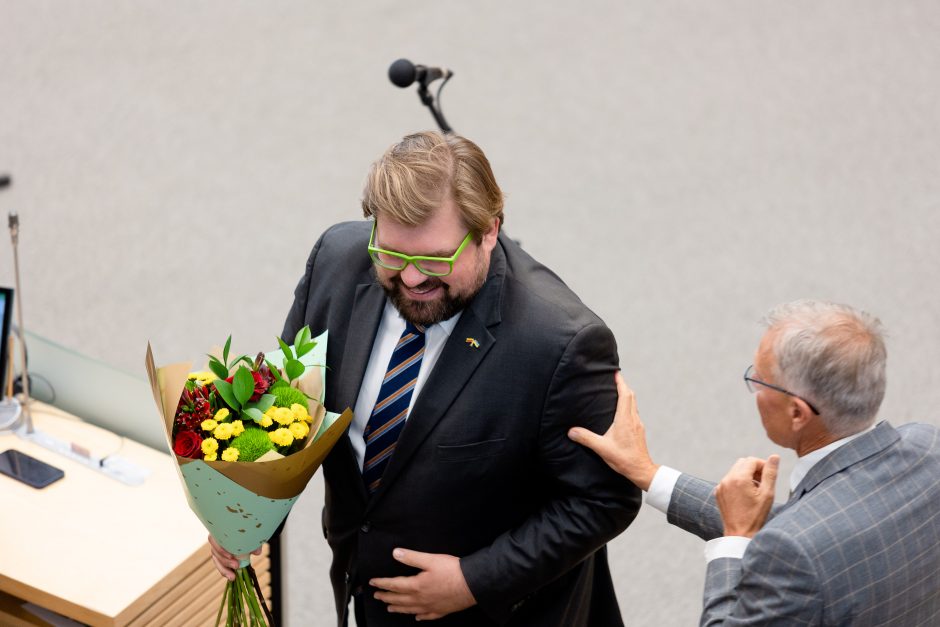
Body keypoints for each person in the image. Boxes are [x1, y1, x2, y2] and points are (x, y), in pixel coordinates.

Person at [210, 131, 640, 626]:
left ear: (489, 231)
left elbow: (605, 498)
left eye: (435, 259)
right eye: (392, 255)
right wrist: (246, 507)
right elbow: (289, 398)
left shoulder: (560, 344)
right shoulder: (337, 260)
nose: (412, 279)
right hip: (364, 590)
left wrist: (474, 580)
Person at [570, 300, 940, 626]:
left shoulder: (792, 551)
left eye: (758, 380)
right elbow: (820, 529)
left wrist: (735, 541)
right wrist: (649, 474)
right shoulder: (928, 445)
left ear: (797, 413)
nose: (755, 391)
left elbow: (796, 544)